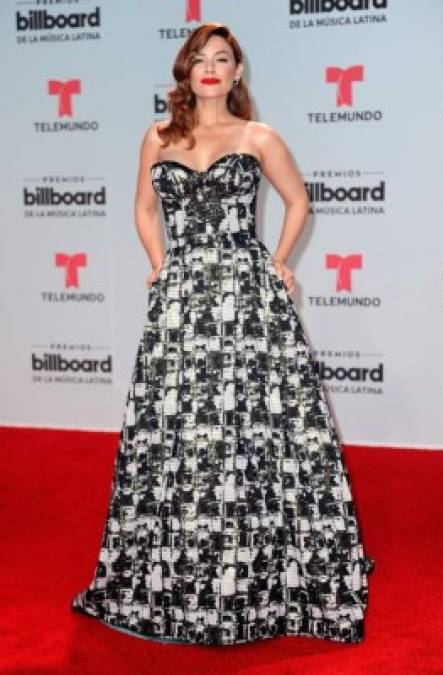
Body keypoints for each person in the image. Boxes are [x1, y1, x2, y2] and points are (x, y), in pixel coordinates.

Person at [71, 22, 375, 647]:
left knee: (255, 424)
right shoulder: (158, 136)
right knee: (180, 425)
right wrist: (159, 266)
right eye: (199, 59)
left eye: (223, 59)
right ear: (185, 71)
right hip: (182, 299)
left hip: (246, 295)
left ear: (238, 73)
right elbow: (141, 206)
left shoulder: (258, 137)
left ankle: (269, 566)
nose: (210, 68)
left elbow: (298, 202)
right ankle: (175, 565)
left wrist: (281, 261)